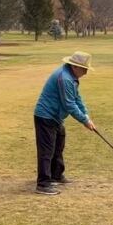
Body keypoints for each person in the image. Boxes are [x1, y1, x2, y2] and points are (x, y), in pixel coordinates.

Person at [33, 51, 96, 195]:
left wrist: (86, 115)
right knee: (46, 151)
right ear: (75, 67)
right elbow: (69, 104)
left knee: (58, 145)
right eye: (84, 69)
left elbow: (77, 98)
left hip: (56, 117)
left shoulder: (71, 77)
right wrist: (84, 121)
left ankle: (56, 175)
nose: (86, 72)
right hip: (46, 116)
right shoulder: (65, 78)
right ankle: (43, 184)